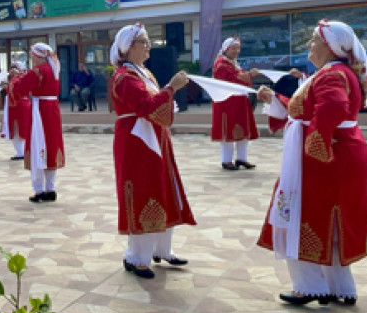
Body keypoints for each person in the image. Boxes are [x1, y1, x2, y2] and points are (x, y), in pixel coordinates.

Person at [255, 20, 367, 306]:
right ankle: (340, 287)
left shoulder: (332, 76)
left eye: (313, 40)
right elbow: (306, 110)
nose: (309, 45)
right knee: (333, 223)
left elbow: (332, 107)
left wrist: (316, 143)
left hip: (326, 160)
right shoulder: (336, 73)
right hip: (341, 156)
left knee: (301, 216)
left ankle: (309, 286)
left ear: (331, 47)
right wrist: (275, 99)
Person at [110, 24, 196, 279]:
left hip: (154, 138)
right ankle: (136, 257)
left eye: (148, 41)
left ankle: (162, 249)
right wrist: (171, 88)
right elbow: (146, 105)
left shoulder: (143, 73)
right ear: (129, 48)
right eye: (144, 42)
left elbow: (154, 105)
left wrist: (168, 90)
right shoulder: (124, 77)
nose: (148, 46)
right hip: (137, 142)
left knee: (162, 188)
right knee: (143, 191)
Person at [10, 43, 65, 202]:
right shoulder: (54, 68)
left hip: (40, 111)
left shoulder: (39, 70)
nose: (32, 58)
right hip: (53, 110)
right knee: (51, 145)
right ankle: (51, 188)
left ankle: (39, 190)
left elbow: (20, 87)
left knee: (37, 146)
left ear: (37, 56)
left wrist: (16, 77)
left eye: (32, 55)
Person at [211, 38, 260, 170]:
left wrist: (248, 75)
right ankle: (226, 161)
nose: (236, 51)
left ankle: (241, 159)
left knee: (243, 129)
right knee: (228, 131)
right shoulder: (221, 64)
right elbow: (232, 80)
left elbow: (240, 78)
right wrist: (250, 74)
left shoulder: (234, 64)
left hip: (239, 102)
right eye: (233, 48)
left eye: (238, 48)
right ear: (226, 49)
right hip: (227, 103)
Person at [0, 62, 30, 160]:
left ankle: (22, 152)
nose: (12, 71)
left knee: (19, 128)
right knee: (17, 128)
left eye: (15, 69)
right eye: (11, 69)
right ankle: (21, 151)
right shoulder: (18, 79)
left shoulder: (20, 79)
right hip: (17, 105)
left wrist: (7, 86)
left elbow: (15, 89)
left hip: (18, 106)